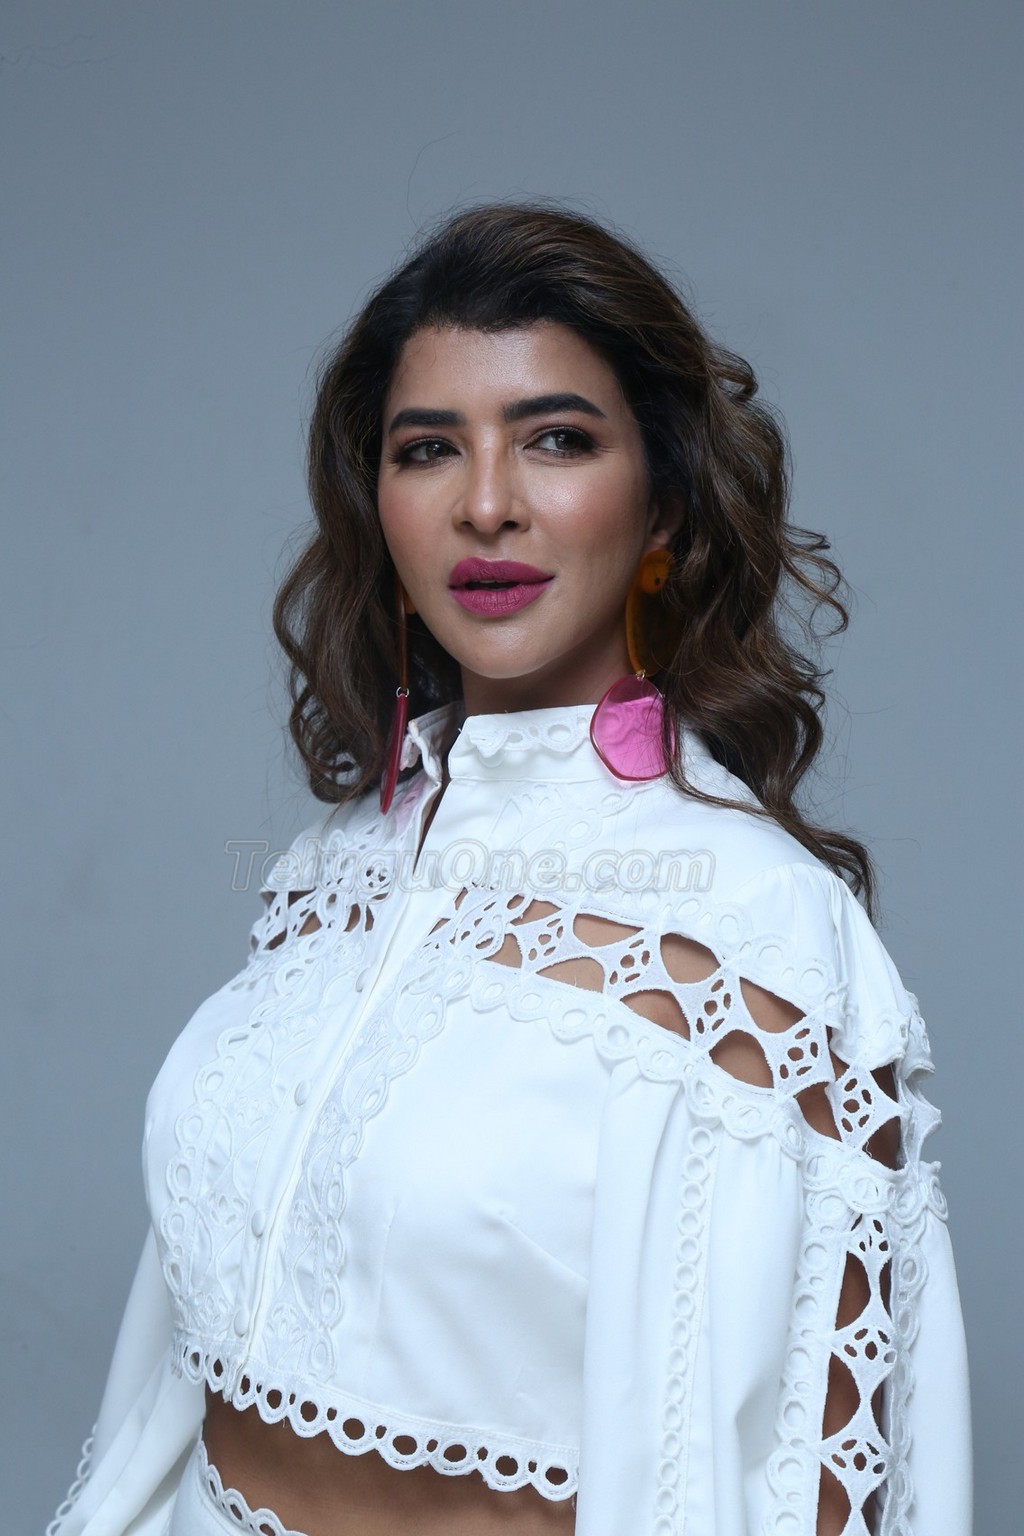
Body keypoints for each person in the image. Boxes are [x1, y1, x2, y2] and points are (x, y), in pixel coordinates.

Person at [49, 203, 971, 1536]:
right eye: (428, 449)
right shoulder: (330, 874)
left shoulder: (755, 926)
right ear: (380, 509)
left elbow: (814, 1479)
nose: (486, 504)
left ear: (664, 509)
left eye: (556, 439)